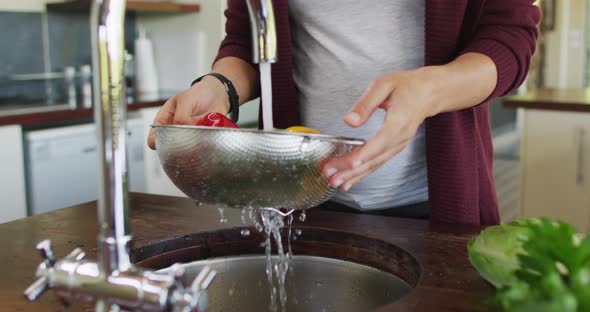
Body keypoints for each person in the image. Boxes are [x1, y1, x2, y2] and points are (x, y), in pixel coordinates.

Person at [147, 0, 541, 225]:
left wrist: (430, 91)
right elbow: (248, 38)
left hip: (434, 207)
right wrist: (221, 87)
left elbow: (510, 37)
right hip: (304, 204)